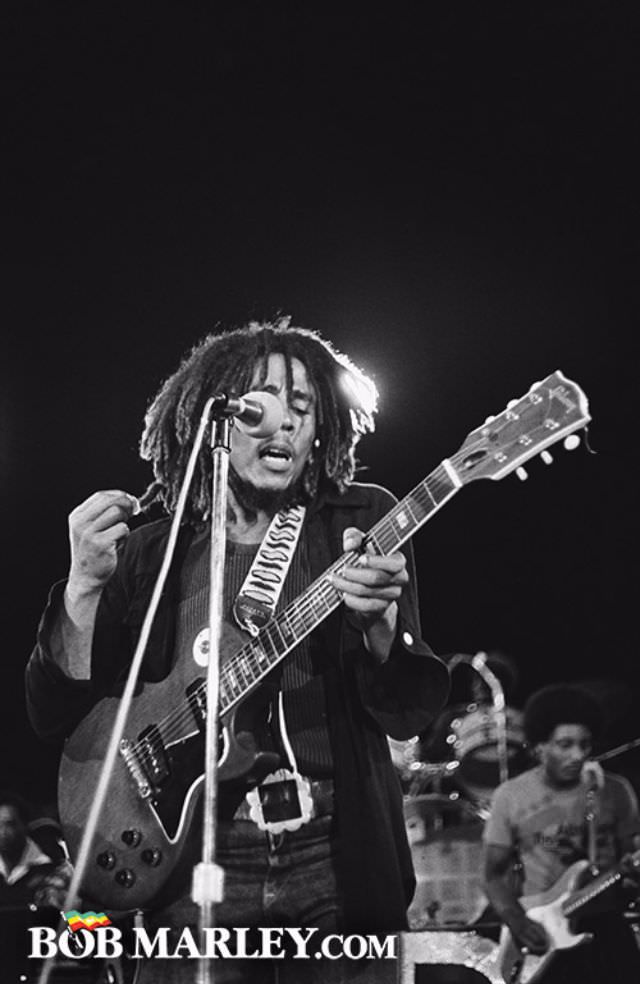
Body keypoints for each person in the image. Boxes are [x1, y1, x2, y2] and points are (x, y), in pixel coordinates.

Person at [25, 318, 449, 983]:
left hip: (332, 850)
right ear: (209, 421)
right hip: (192, 851)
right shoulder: (152, 551)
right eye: (259, 407)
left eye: (303, 410)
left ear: (322, 431)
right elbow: (56, 711)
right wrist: (81, 588)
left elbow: (407, 709)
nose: (282, 425)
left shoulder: (360, 519)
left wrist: (378, 627)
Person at [483, 684, 640, 983]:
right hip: (541, 930)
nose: (577, 755)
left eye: (585, 744)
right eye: (565, 744)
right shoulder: (511, 796)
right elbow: (492, 875)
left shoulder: (615, 791)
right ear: (539, 747)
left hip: (606, 930)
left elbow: (632, 852)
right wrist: (516, 920)